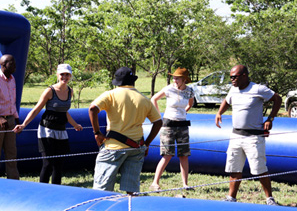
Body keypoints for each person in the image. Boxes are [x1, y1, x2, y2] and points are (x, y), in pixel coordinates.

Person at [89, 66, 162, 195]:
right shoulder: (144, 99)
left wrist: (97, 133)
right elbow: (158, 122)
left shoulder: (110, 94)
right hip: (136, 148)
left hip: (113, 148)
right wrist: (147, 143)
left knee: (101, 190)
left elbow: (93, 109)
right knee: (132, 192)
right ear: (133, 81)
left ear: (117, 81)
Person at [215, 64, 282, 205]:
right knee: (234, 168)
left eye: (234, 77)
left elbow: (277, 99)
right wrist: (219, 113)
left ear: (244, 76)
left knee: (259, 169)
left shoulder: (258, 89)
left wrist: (270, 119)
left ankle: (269, 199)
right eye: (230, 77)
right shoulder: (233, 90)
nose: (232, 80)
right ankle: (231, 197)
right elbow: (226, 101)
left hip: (253, 137)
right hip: (236, 136)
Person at [13, 64, 83, 184]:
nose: (64, 77)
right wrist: (24, 125)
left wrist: (75, 125)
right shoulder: (49, 91)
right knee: (48, 164)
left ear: (70, 76)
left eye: (67, 74)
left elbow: (65, 112)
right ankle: (43, 191)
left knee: (59, 165)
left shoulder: (70, 91)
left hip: (61, 131)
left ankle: (56, 191)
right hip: (46, 130)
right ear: (57, 75)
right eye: (62, 74)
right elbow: (36, 109)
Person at [149, 67, 194, 191]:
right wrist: (159, 116)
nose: (174, 80)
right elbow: (154, 99)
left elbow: (190, 103)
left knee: (184, 155)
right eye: (174, 77)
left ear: (184, 79)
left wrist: (184, 112)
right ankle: (155, 183)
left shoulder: (189, 90)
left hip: (183, 125)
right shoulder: (169, 89)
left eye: (177, 78)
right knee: (167, 154)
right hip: (168, 125)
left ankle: (185, 184)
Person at [0, 54, 20, 180]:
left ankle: (14, 182)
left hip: (11, 120)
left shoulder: (12, 79)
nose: (15, 65)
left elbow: (12, 101)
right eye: (11, 63)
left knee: (11, 152)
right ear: (3, 65)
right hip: (0, 121)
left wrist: (16, 118)